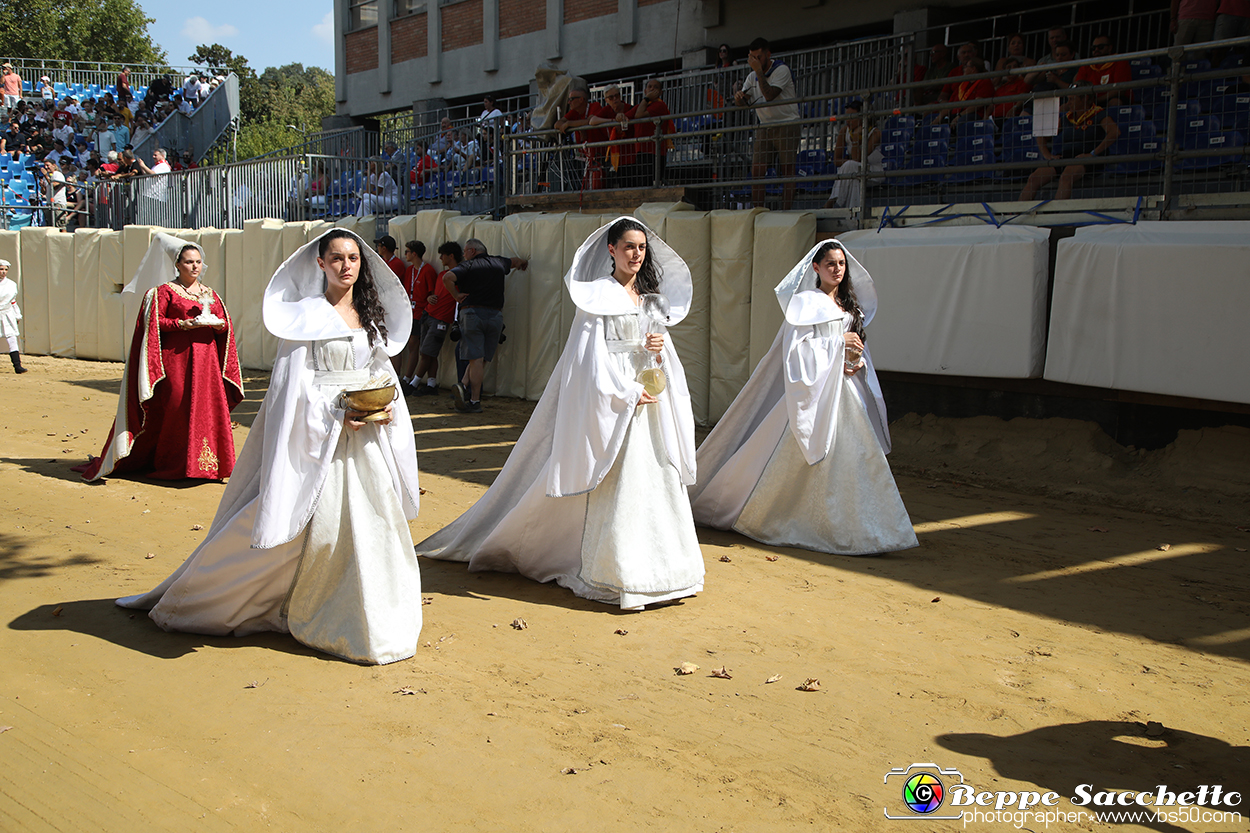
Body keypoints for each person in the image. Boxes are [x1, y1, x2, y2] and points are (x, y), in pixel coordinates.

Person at [116, 228, 423, 666]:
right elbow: (292, 392)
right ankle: (251, 599)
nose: (346, 266)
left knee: (373, 524)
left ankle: (371, 617)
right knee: (309, 522)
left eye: (353, 258)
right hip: (323, 435)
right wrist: (338, 414)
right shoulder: (305, 318)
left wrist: (385, 407)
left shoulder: (370, 315)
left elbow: (381, 374)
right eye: (336, 258)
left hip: (366, 434)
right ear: (320, 263)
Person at [417, 217, 704, 610]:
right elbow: (589, 358)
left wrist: (657, 345)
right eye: (628, 247)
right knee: (618, 475)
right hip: (616, 396)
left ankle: (662, 568)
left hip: (647, 396)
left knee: (652, 474)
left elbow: (658, 350)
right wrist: (625, 391)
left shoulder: (649, 298)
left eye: (641, 248)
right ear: (611, 250)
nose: (636, 255)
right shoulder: (597, 297)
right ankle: (613, 569)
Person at [690, 240, 918, 556]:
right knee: (803, 453)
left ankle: (868, 528)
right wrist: (838, 344)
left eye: (841, 264)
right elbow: (796, 352)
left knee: (858, 455)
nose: (837, 270)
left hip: (844, 390)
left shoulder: (848, 306)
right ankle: (793, 518)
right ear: (816, 268)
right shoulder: (805, 303)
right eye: (830, 264)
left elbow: (852, 349)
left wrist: (852, 360)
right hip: (814, 394)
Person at [76, 236, 244, 481]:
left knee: (206, 408)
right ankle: (173, 464)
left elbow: (223, 324)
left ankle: (206, 466)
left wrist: (219, 326)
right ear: (177, 265)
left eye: (198, 262)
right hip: (176, 360)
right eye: (188, 262)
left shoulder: (211, 294)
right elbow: (153, 322)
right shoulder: (163, 292)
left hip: (207, 363)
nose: (195, 267)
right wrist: (181, 324)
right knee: (176, 404)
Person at [444, 238, 527, 413]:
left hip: (473, 313)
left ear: (472, 251)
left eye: (465, 251)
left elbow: (448, 277)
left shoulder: (468, 266)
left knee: (475, 359)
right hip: (496, 316)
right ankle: (463, 385)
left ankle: (474, 401)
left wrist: (456, 295)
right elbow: (516, 261)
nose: (464, 255)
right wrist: (523, 264)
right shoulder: (499, 262)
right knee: (482, 360)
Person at [1018, 84, 1120, 201]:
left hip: (1087, 158)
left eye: (1071, 99)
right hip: (1065, 157)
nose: (1068, 103)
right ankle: (1016, 214)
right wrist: (1047, 155)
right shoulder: (1067, 118)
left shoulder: (1099, 114)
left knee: (1066, 176)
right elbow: (1041, 135)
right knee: (1034, 178)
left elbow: (1115, 132)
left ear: (1085, 98)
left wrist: (1092, 154)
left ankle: (1056, 214)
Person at [734, 37, 800, 210]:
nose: (755, 61)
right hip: (765, 126)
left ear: (768, 55)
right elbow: (743, 102)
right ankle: (758, 210)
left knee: (787, 171)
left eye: (758, 57)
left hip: (787, 124)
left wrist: (758, 72)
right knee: (757, 171)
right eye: (752, 57)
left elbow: (769, 95)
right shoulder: (751, 76)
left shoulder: (781, 70)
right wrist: (738, 98)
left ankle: (786, 211)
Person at [405, 240, 451, 396]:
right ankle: (431, 383)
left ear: (414, 253)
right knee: (429, 352)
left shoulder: (429, 271)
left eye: (407, 251)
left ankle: (411, 381)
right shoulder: (412, 270)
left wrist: (429, 301)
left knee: (423, 350)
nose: (405, 254)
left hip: (428, 314)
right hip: (420, 314)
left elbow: (433, 294)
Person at [825, 100, 882, 210]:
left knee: (851, 166)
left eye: (852, 117)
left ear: (862, 117)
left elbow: (858, 159)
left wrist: (856, 138)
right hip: (855, 172)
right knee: (854, 177)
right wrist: (848, 163)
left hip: (873, 172)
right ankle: (853, 215)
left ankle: (832, 202)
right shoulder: (844, 131)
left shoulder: (875, 133)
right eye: (847, 117)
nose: (848, 121)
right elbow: (836, 160)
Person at [625, 78, 673, 188]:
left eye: (655, 87)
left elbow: (638, 115)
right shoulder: (642, 105)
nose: (652, 89)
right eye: (649, 87)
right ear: (645, 90)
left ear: (660, 92)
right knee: (641, 183)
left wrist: (646, 99)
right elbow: (628, 115)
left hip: (654, 152)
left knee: (650, 184)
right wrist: (620, 116)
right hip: (642, 150)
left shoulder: (660, 105)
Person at [1075, 35, 1133, 106]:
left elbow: (1120, 89)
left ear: (1109, 48)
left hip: (1112, 98)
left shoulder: (1119, 61)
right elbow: (1078, 87)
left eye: (1100, 47)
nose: (1096, 50)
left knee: (1115, 102)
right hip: (1090, 101)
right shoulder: (1086, 65)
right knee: (1064, 107)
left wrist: (1097, 100)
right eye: (1093, 48)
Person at [0, 259, 26, 374]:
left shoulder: (11, 285)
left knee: (12, 338)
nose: (3, 272)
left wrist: (17, 315)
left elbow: (13, 301)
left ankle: (17, 366)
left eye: (5, 269)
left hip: (7, 314)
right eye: (1, 269)